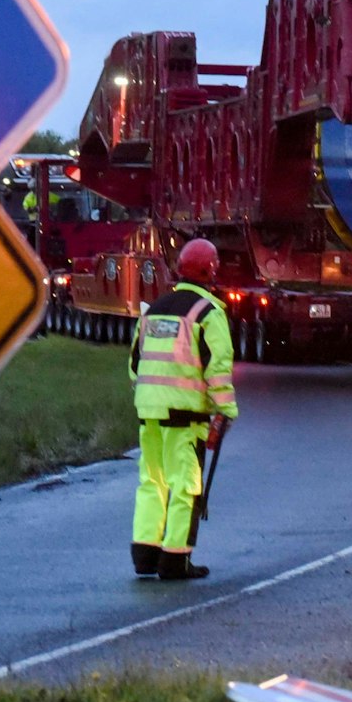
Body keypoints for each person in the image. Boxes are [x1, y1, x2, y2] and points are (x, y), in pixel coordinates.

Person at [128, 239, 238, 580]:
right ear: (212, 270)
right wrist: (225, 410)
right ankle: (176, 560)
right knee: (186, 486)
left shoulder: (155, 310)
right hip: (185, 417)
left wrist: (151, 397)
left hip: (149, 411)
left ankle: (145, 555)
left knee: (152, 482)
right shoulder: (209, 313)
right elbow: (217, 368)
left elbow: (135, 363)